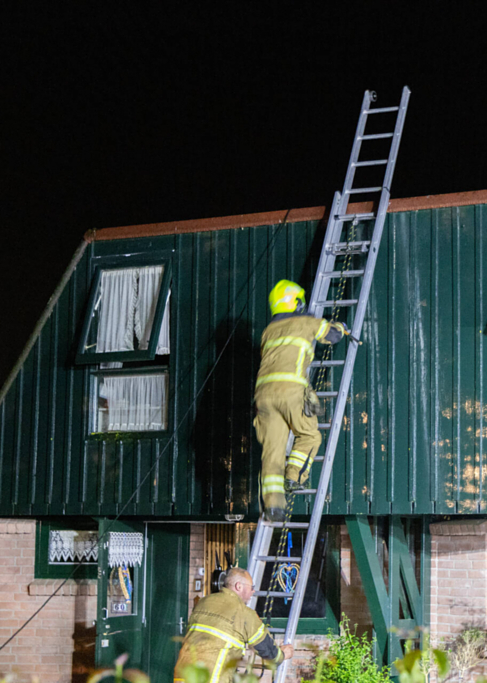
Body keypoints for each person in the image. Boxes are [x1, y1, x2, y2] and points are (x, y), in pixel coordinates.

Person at [254, 280, 348, 521]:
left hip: (263, 396)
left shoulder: (268, 330)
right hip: (291, 390)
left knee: (272, 451)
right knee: (310, 435)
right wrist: (341, 326)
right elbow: (333, 335)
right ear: (294, 302)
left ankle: (274, 507)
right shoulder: (306, 322)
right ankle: (293, 476)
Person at [173, 567, 294, 683]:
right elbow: (267, 650)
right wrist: (283, 654)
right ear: (239, 586)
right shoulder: (245, 614)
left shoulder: (204, 602)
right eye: (251, 587)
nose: (253, 591)